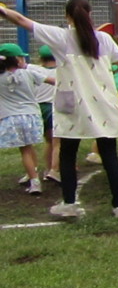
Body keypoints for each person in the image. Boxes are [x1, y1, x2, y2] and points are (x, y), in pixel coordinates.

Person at [0, 0, 118, 218]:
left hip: (73, 106)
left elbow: (22, 20)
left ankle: (69, 204)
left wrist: (3, 10)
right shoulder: (104, 39)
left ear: (67, 16)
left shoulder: (61, 37)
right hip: (103, 104)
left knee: (68, 155)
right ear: (90, 14)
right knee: (109, 155)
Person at [0, 43, 55, 194]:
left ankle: (33, 179)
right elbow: (53, 81)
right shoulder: (29, 73)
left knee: (25, 149)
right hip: (32, 116)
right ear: (17, 59)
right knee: (28, 147)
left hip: (11, 118)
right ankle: (33, 177)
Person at [32, 45, 59, 184]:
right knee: (57, 142)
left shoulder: (34, 70)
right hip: (52, 107)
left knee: (48, 141)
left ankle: (47, 169)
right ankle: (54, 169)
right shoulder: (62, 70)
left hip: (38, 107)